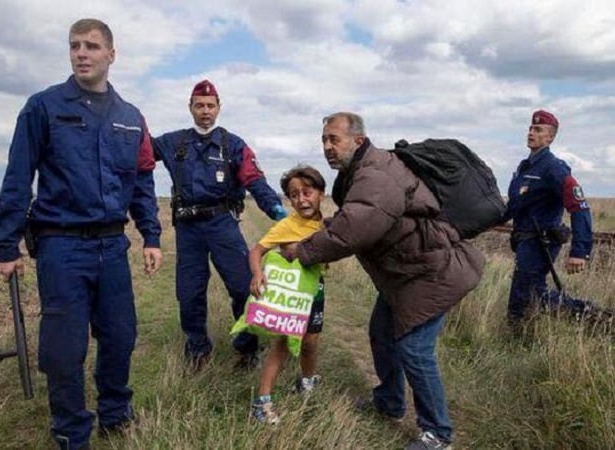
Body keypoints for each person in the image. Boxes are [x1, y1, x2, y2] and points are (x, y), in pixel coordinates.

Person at [0, 19, 163, 450]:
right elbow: (17, 176)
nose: (81, 53)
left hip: (112, 246)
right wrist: (5, 243)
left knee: (120, 336)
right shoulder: (42, 107)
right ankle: (71, 430)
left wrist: (151, 235)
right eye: (74, 46)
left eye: (92, 46)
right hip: (61, 246)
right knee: (64, 349)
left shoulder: (130, 118)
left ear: (111, 55)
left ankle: (116, 415)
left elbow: (141, 181)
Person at [287, 112, 485, 450]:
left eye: (334, 139)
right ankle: (389, 402)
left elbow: (354, 230)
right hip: (406, 274)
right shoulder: (360, 172)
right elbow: (357, 217)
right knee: (381, 334)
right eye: (324, 140)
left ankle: (437, 434)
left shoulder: (376, 173)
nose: (328, 147)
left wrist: (302, 251)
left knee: (415, 350)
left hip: (431, 272)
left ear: (359, 140)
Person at [152, 80, 287, 370]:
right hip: (187, 229)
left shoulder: (233, 145)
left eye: (210, 106)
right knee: (189, 293)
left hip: (222, 225)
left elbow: (255, 181)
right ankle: (198, 349)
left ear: (218, 108)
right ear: (190, 108)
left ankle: (247, 348)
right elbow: (138, 154)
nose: (205, 111)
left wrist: (279, 213)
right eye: (199, 105)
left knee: (242, 287)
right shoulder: (173, 142)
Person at [502, 109, 606, 328]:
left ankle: (595, 318)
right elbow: (513, 206)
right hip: (523, 241)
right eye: (530, 128)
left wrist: (580, 251)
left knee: (528, 293)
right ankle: (518, 333)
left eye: (538, 129)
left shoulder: (553, 168)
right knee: (529, 292)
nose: (531, 132)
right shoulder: (525, 168)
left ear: (550, 137)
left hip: (541, 241)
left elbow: (579, 207)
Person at [248, 165, 327, 424]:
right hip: (290, 295)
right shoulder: (286, 226)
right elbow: (256, 251)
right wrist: (258, 274)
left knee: (310, 342)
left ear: (321, 194)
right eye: (294, 195)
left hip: (314, 293)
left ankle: (306, 382)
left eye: (308, 192)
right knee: (281, 343)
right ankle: (262, 402)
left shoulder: (327, 225)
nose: (302, 199)